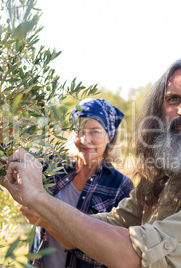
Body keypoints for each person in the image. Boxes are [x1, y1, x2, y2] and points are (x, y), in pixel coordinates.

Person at [0, 59, 181, 268]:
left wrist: (41, 200)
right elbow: (84, 234)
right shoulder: (165, 180)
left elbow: (134, 254)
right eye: (173, 99)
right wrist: (35, 200)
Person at [19, 98, 134, 267]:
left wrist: (47, 222)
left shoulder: (120, 187)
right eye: (79, 131)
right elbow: (11, 157)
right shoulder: (54, 166)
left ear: (109, 136)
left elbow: (108, 254)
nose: (84, 139)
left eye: (94, 131)